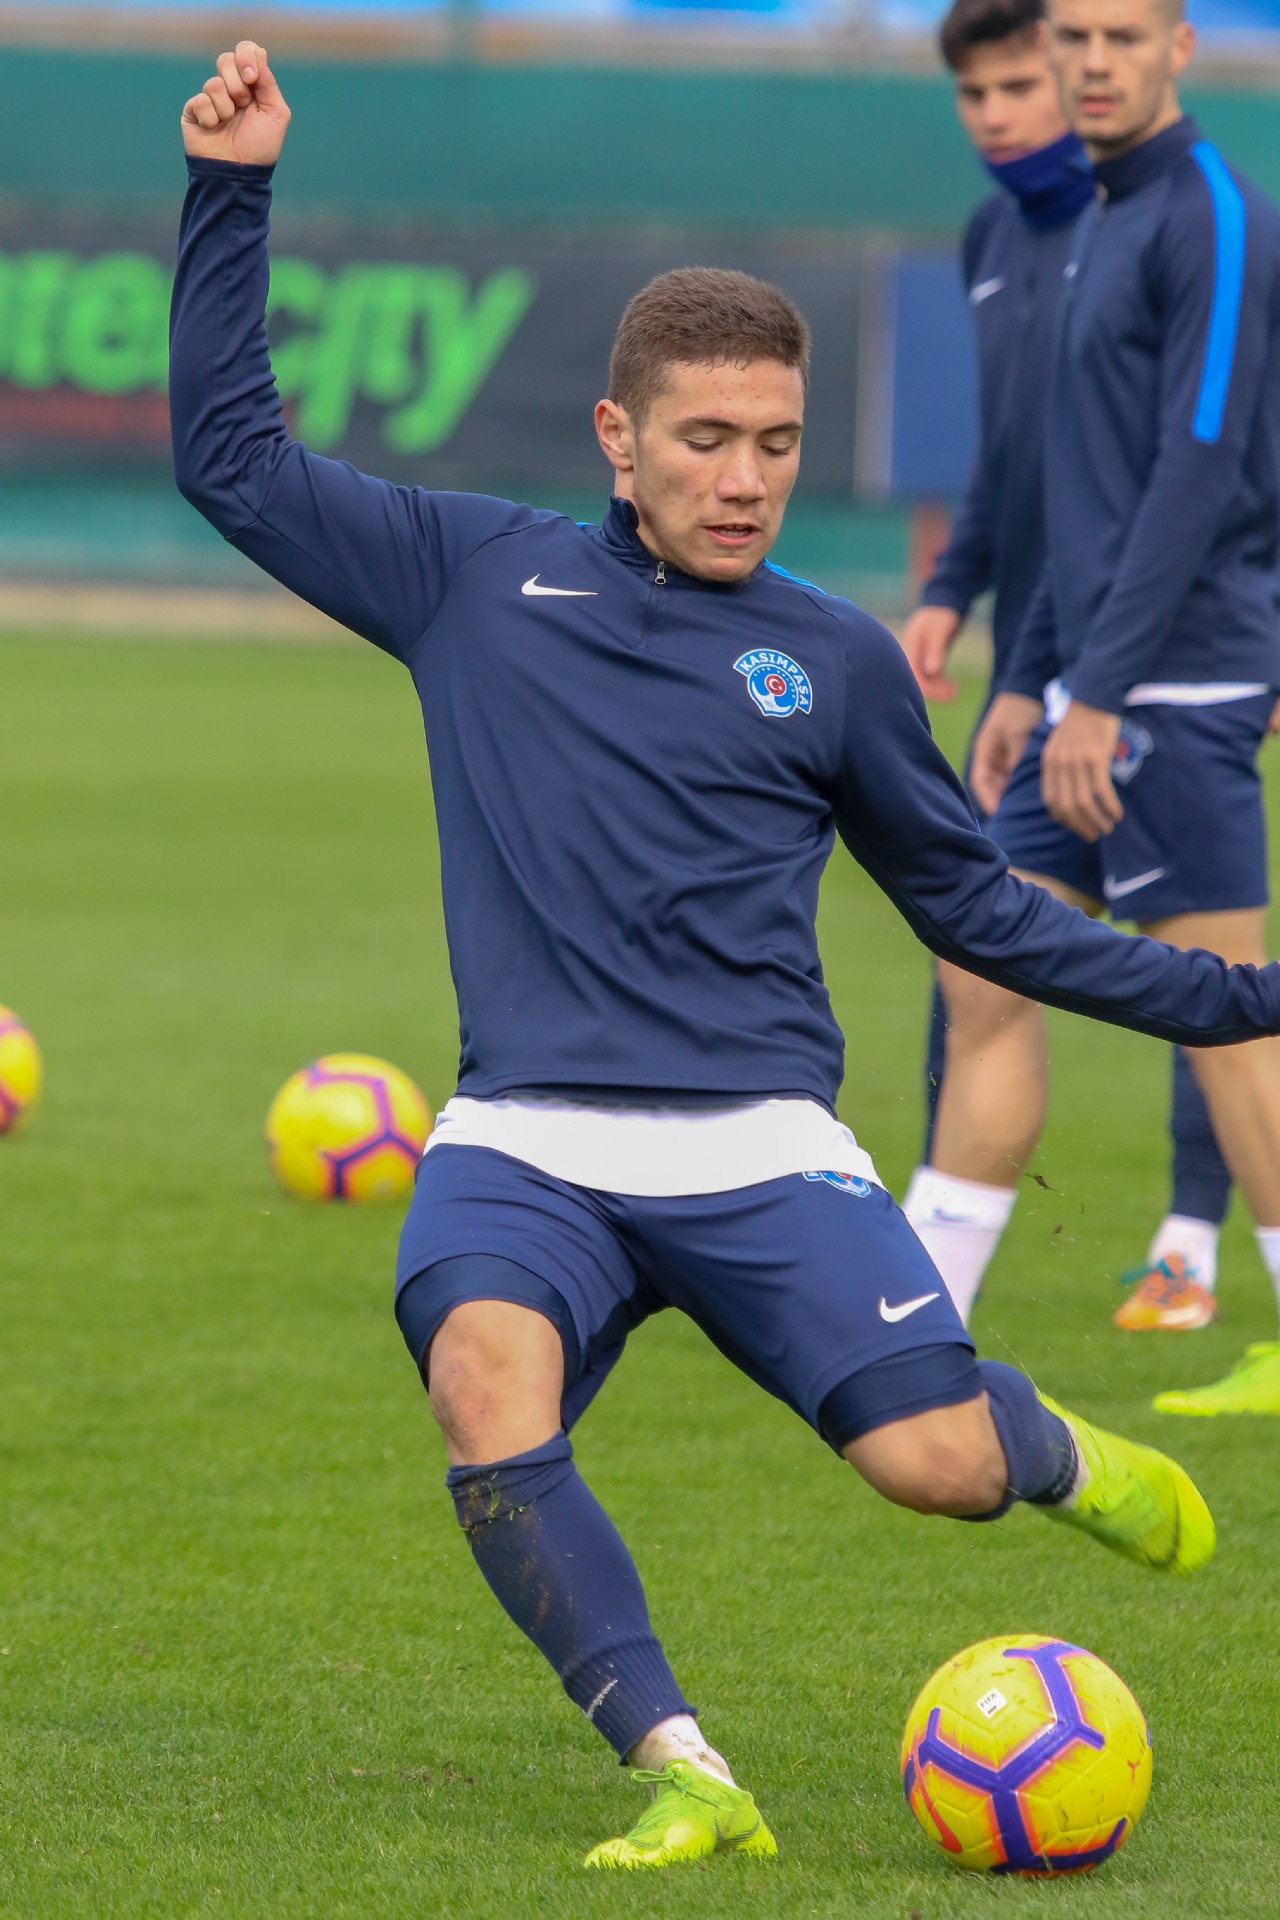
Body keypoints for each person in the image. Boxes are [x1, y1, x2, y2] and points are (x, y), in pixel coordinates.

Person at [173, 42, 1269, 1870]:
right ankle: (685, 1767)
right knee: (484, 1382)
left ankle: (1049, 1452)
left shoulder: (834, 659)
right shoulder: (471, 577)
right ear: (619, 437)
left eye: (776, 442)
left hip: (760, 1143)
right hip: (526, 1136)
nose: (746, 479)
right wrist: (233, 191)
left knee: (936, 1471)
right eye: (706, 441)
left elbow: (982, 913)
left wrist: (1246, 996)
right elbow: (229, 460)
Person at [930, 0, 1280, 1413]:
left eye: (1122, 38)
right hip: (1086, 686)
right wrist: (1031, 678)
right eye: (1073, 36)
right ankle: (917, 1330)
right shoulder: (1090, 216)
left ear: (1181, 46)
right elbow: (1073, 492)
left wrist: (1107, 692)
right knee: (984, 976)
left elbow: (1201, 468)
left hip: (1174, 687)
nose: (1090, 62)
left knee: (1230, 1015)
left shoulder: (1212, 213)